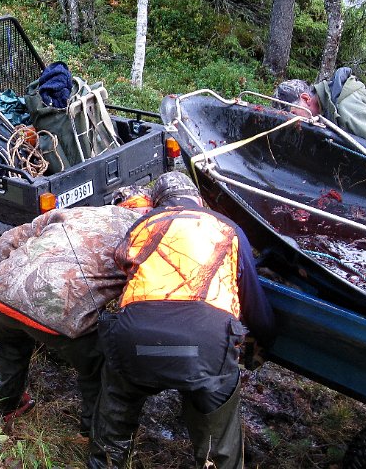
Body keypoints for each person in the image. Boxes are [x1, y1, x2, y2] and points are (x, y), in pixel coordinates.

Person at [88, 172, 276, 469]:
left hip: (135, 338)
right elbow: (253, 300)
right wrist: (264, 342)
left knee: (117, 404)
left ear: (157, 204)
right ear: (199, 200)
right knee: (218, 433)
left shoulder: (142, 226)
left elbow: (123, 265)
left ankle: (107, 461)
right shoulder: (228, 229)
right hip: (207, 342)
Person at [0, 198, 153, 437]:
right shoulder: (145, 233)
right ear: (146, 210)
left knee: (10, 350)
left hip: (1, 295)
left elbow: (9, 238)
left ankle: (8, 407)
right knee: (100, 368)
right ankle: (89, 433)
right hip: (58, 314)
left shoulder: (77, 212)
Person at [274, 67, 366, 164]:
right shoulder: (332, 106)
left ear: (306, 99)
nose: (295, 122)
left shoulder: (345, 107)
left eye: (293, 113)